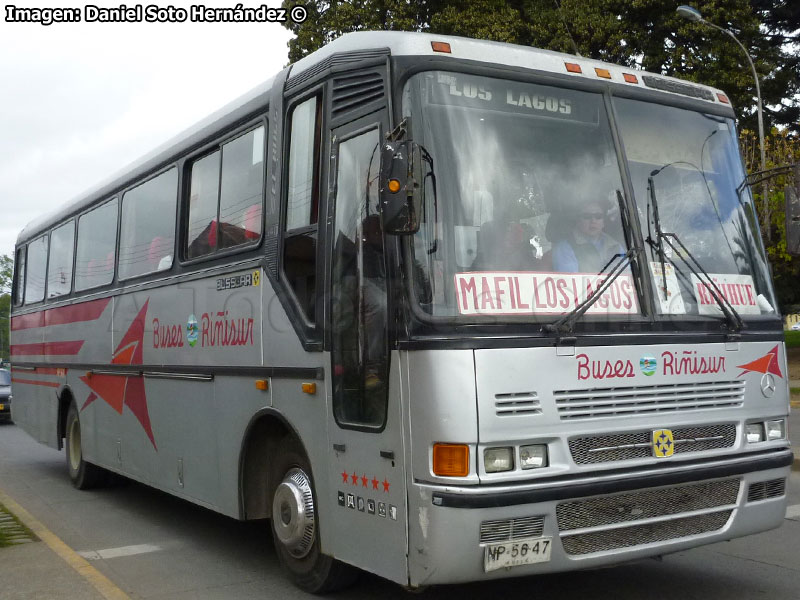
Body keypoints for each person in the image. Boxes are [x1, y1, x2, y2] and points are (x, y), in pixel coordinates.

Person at [551, 200, 623, 273]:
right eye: (587, 216)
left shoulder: (615, 246)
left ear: (603, 222)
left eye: (598, 216)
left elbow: (628, 274)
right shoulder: (565, 247)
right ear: (578, 221)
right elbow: (571, 280)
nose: (593, 221)